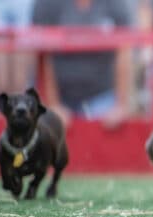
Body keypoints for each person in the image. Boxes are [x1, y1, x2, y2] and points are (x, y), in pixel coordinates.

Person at [32, 0, 134, 129]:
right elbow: (43, 54)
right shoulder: (48, 4)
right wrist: (53, 104)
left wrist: (121, 105)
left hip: (103, 96)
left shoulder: (116, 4)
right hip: (62, 98)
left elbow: (124, 50)